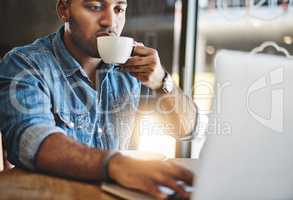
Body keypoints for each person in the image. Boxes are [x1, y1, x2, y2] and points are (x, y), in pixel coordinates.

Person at [0, 0, 197, 199]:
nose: (110, 22)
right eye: (94, 7)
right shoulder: (24, 64)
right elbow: (32, 140)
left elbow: (187, 130)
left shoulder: (131, 68)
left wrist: (163, 81)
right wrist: (116, 164)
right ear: (64, 10)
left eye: (119, 9)